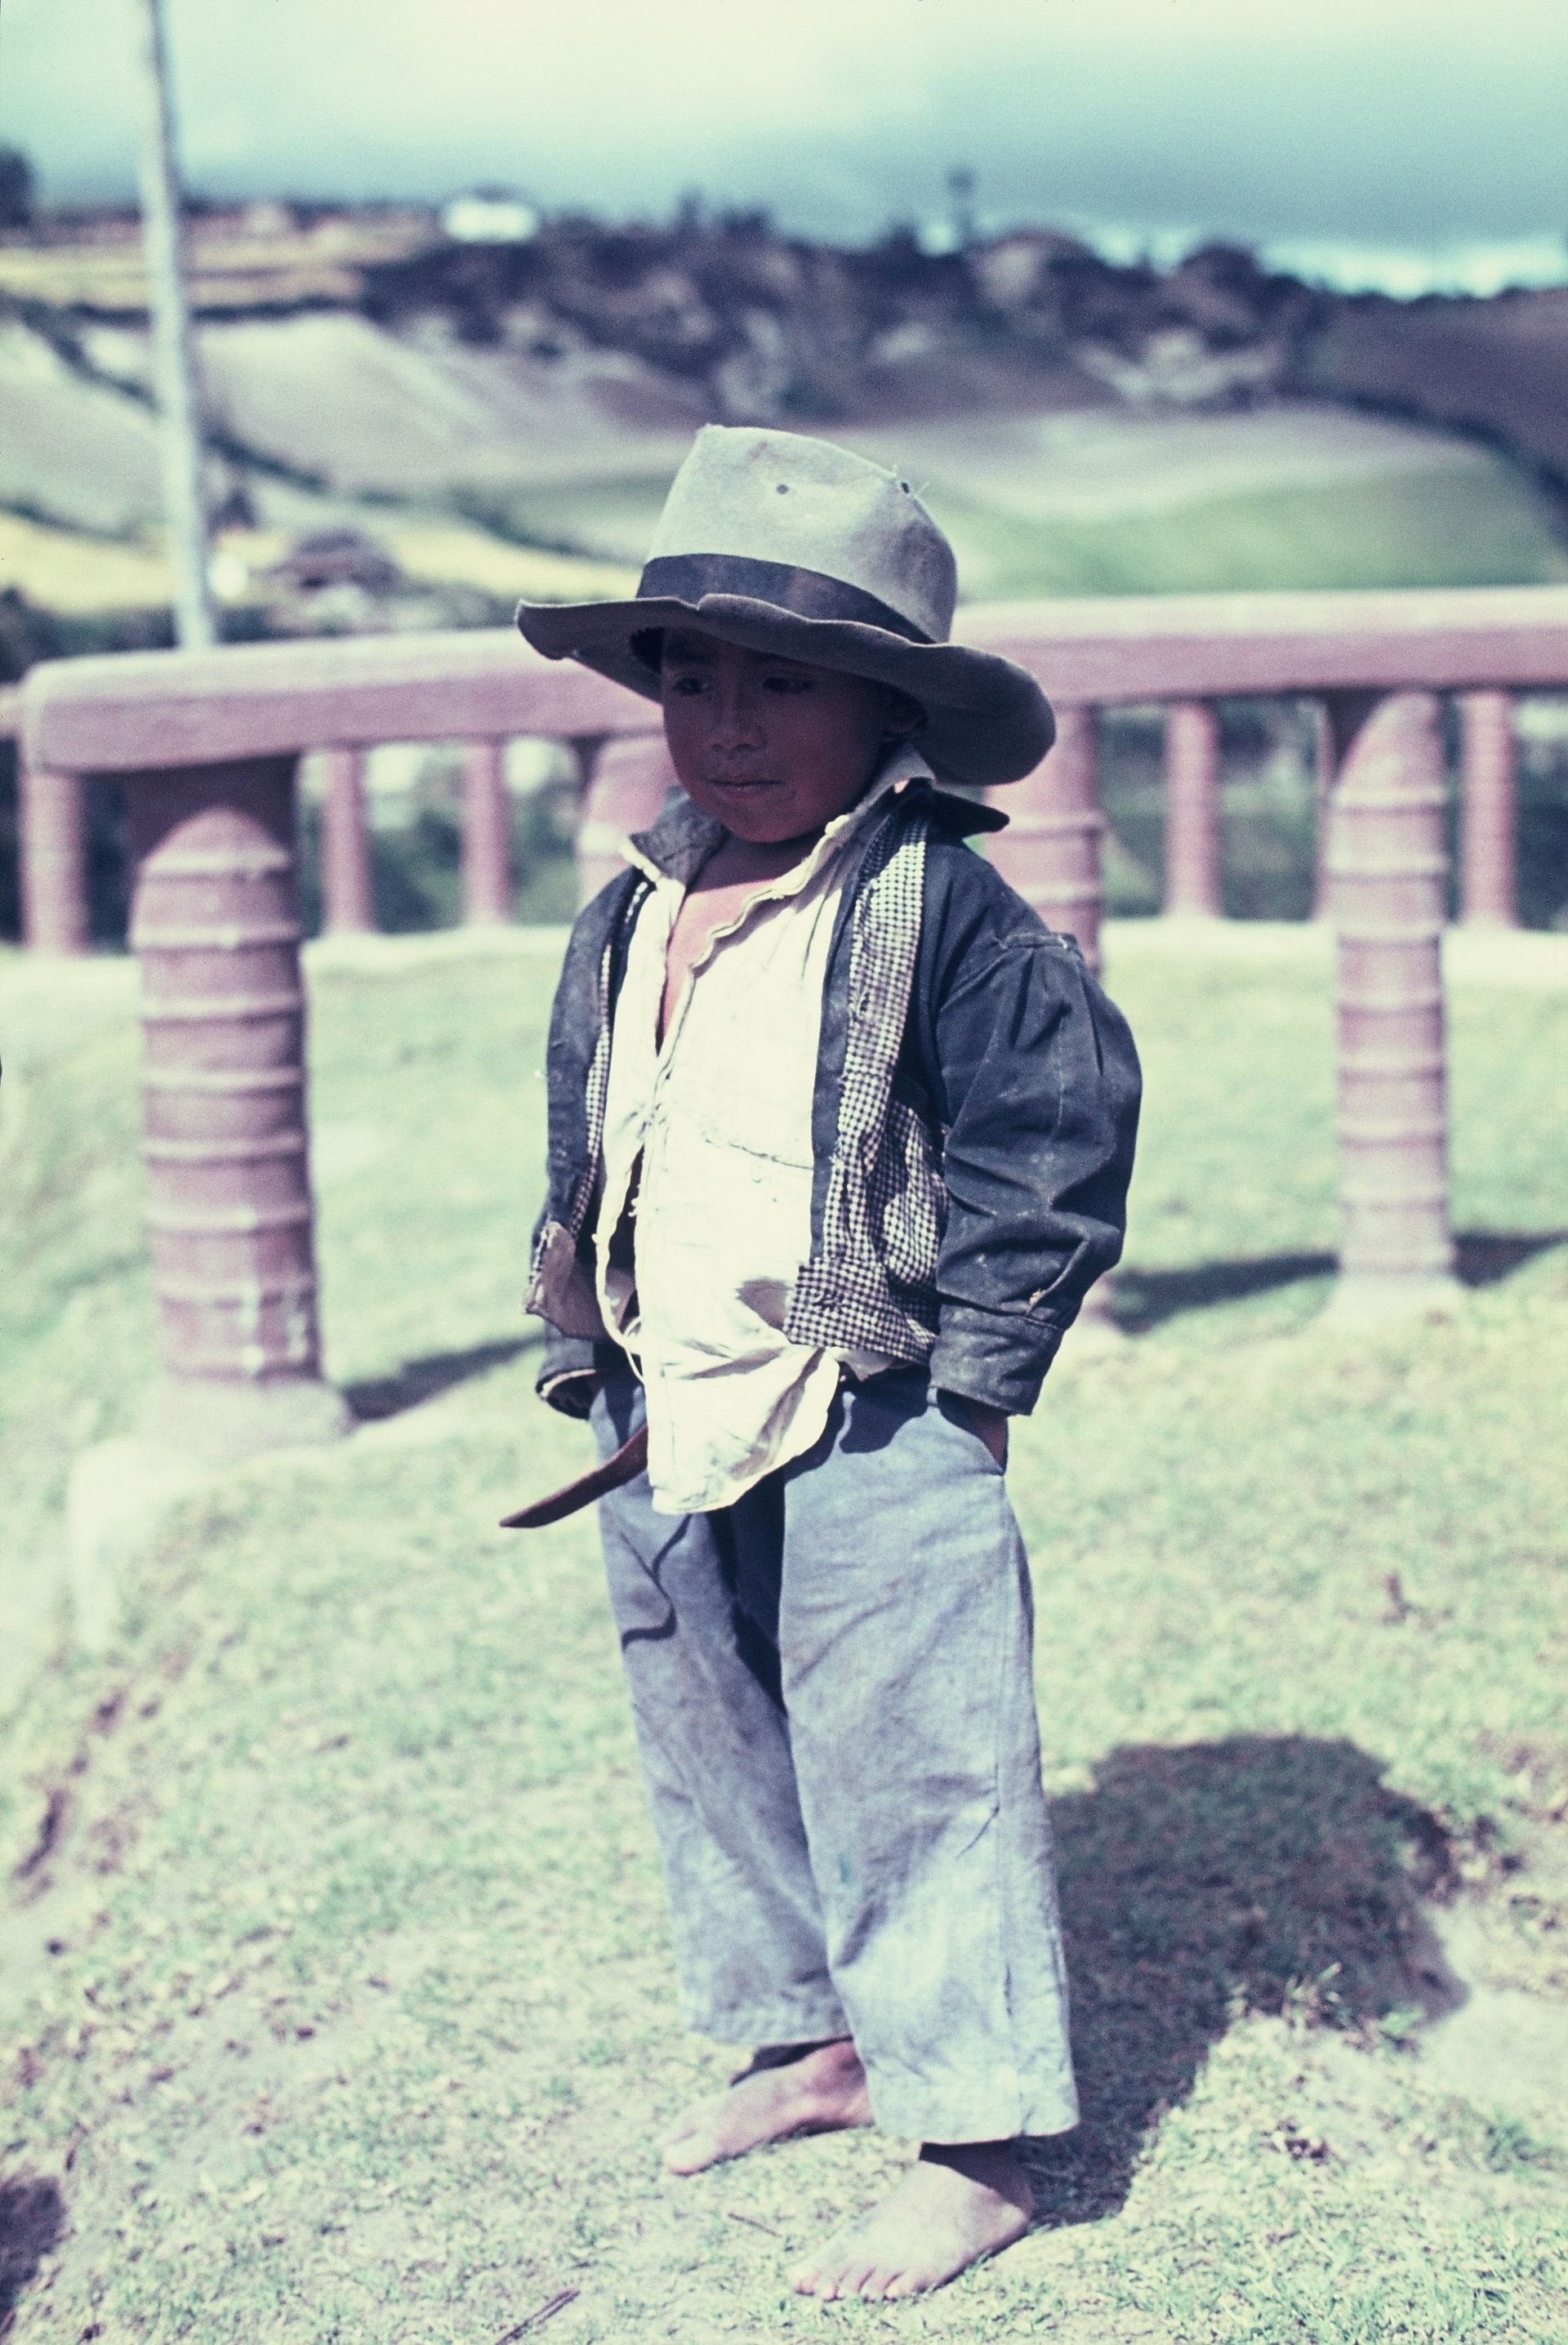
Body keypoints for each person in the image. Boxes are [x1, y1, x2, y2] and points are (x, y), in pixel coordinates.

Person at [514, 426, 1141, 2301]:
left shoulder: (940, 908)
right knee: (711, 1719)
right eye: (691, 676)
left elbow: (1059, 1126)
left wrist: (971, 1380)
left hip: (875, 1397)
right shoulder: (639, 896)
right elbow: (599, 1119)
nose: (728, 720)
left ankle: (981, 2137)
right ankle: (813, 2032)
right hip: (671, 1389)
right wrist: (588, 1331)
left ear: (892, 711)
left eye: (784, 679)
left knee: (915, 1756)